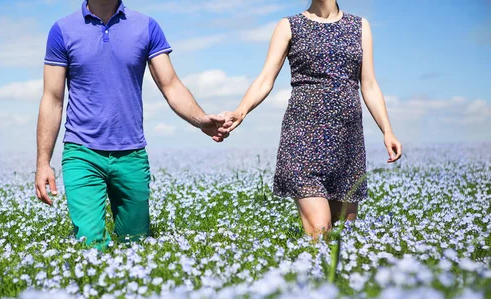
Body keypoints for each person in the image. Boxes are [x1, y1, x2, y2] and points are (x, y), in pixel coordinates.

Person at [35, 0, 227, 249]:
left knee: (135, 246)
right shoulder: (62, 30)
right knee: (90, 244)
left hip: (132, 154)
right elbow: (52, 99)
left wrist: (200, 120)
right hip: (81, 153)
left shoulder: (147, 27)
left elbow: (171, 85)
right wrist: (42, 162)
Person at [218, 0, 402, 239]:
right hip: (303, 140)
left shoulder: (360, 26)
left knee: (343, 236)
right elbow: (266, 78)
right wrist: (240, 111)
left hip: (347, 143)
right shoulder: (289, 25)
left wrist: (387, 130)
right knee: (320, 230)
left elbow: (368, 84)